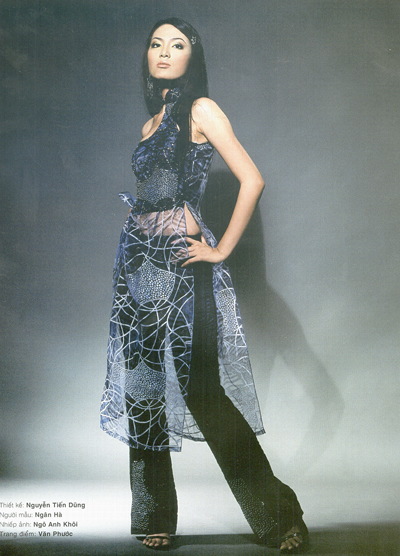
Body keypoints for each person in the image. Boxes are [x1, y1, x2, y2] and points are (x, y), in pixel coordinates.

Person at [100, 17, 308, 553]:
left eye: (177, 44)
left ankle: (277, 515)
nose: (164, 52)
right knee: (143, 391)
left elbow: (252, 179)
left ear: (193, 57)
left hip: (182, 268)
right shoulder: (150, 124)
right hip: (137, 270)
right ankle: (154, 518)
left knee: (203, 393)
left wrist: (219, 250)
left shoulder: (201, 110)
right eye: (156, 44)